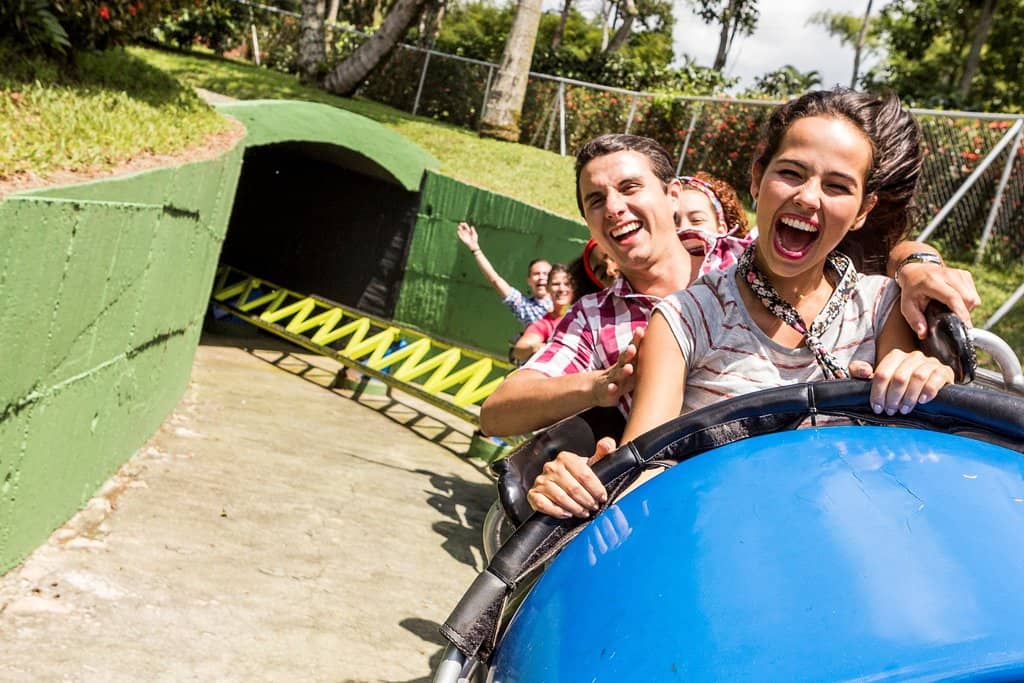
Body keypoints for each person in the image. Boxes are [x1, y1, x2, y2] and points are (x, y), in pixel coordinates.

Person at [526, 88, 956, 519]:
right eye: (790, 172)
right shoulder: (684, 317)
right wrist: (583, 483)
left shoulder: (883, 307)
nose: (808, 197)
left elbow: (907, 464)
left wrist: (926, 372)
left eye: (837, 186)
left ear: (864, 209)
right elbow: (642, 469)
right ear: (756, 178)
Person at [478, 133, 979, 439]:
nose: (614, 208)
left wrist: (915, 264)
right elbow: (497, 413)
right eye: (595, 200)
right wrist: (602, 384)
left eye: (630, 188)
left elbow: (833, 242)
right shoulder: (594, 318)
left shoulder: (748, 254)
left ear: (671, 196)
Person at [456, 221, 551, 326]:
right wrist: (475, 249)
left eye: (546, 274)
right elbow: (496, 281)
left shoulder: (565, 304)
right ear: (529, 281)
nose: (541, 277)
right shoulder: (524, 307)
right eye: (536, 274)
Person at [511, 263, 577, 363]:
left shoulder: (586, 310)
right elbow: (519, 351)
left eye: (567, 284)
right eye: (556, 284)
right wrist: (539, 347)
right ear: (548, 288)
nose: (561, 289)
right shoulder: (545, 323)